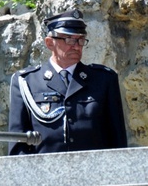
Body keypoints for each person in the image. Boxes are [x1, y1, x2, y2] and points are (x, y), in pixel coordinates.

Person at [8, 9, 127, 154]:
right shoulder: (27, 81)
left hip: (95, 171)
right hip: (45, 172)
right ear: (50, 43)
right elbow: (18, 142)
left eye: (80, 40)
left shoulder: (104, 79)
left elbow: (117, 140)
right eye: (69, 39)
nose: (76, 46)